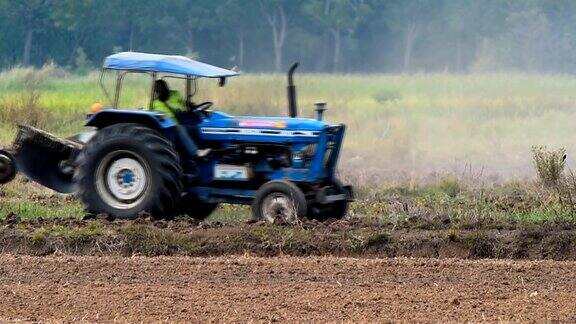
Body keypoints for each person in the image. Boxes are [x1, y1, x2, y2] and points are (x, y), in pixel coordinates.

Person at [152, 80, 200, 162]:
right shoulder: (156, 103)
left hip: (181, 121)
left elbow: (184, 104)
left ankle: (200, 154)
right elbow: (157, 117)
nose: (159, 92)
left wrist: (189, 105)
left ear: (166, 88)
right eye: (158, 91)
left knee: (196, 128)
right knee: (179, 129)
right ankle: (194, 153)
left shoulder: (175, 94)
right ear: (156, 92)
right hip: (168, 128)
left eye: (162, 89)